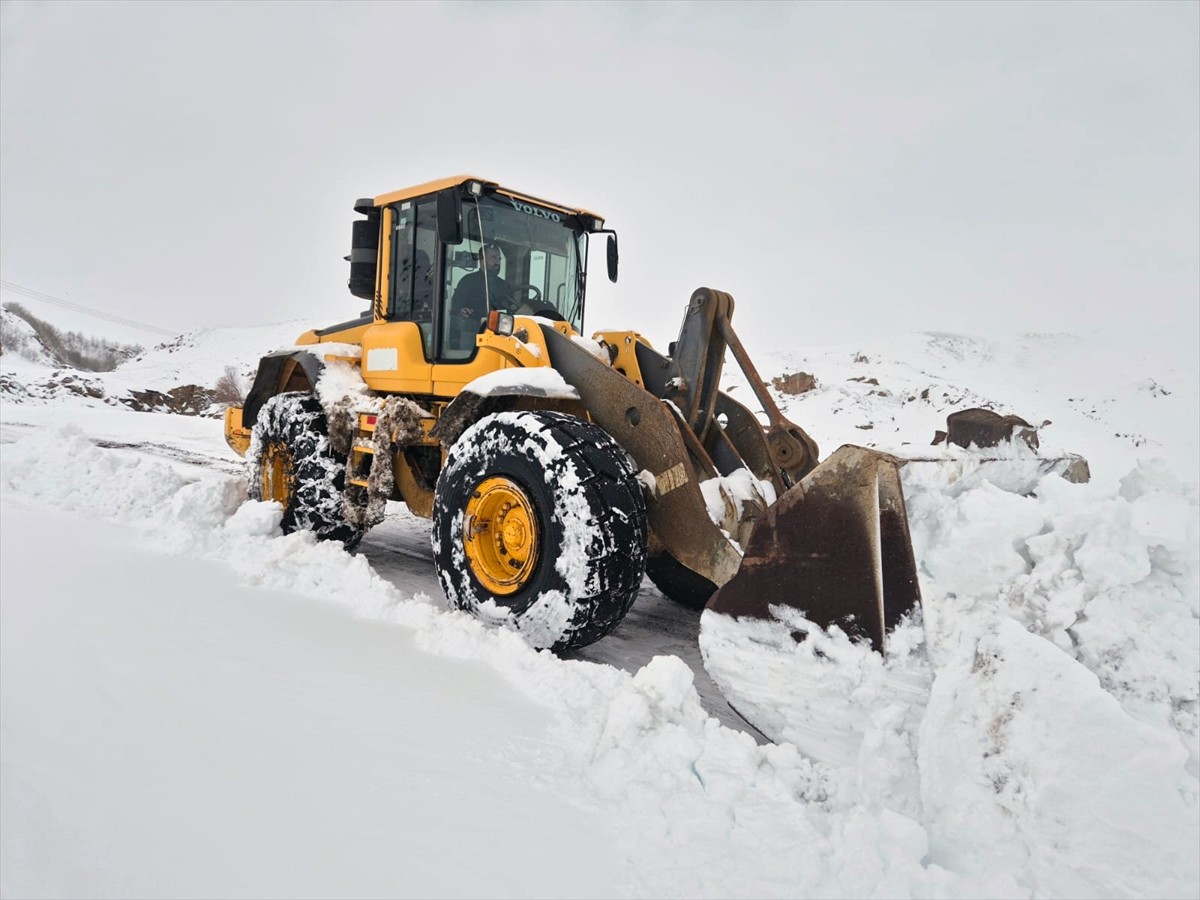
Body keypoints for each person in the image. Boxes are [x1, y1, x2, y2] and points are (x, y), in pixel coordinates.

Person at [452, 243, 509, 319]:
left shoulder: (504, 285)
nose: (497, 262)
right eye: (493, 258)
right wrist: (461, 311)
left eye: (499, 259)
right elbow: (455, 306)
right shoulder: (468, 281)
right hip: (473, 329)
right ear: (482, 260)